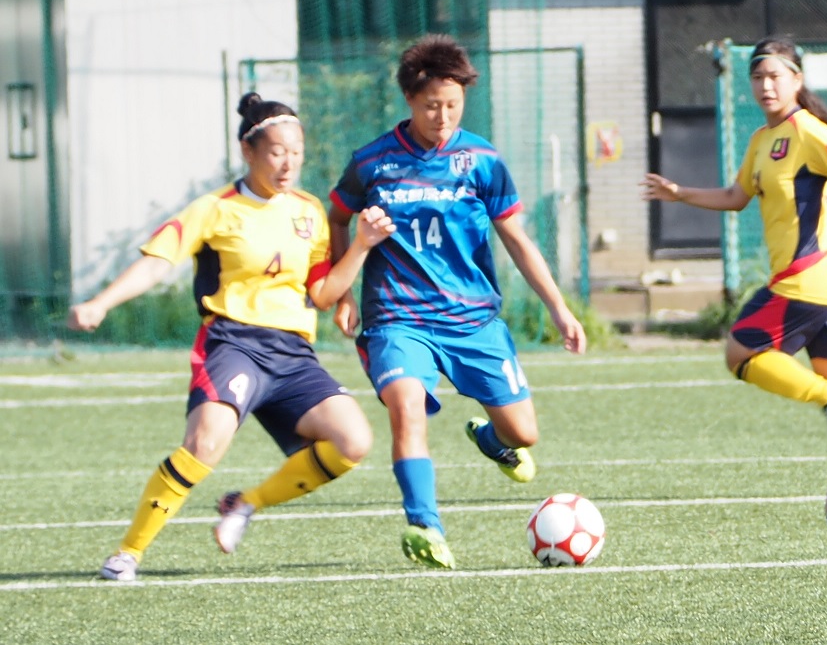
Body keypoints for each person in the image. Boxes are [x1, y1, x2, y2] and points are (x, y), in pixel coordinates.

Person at [68, 93, 396, 582]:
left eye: (297, 152)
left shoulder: (309, 211)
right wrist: (101, 302)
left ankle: (245, 504)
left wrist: (364, 247)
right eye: (276, 152)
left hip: (292, 354)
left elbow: (324, 294)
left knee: (353, 441)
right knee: (205, 443)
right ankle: (127, 554)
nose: (288, 163)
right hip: (232, 343)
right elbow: (158, 262)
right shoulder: (215, 209)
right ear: (249, 152)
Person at [328, 34, 586, 570]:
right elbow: (337, 216)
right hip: (397, 318)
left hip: (472, 321)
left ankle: (493, 440)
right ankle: (426, 526)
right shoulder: (372, 163)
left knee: (524, 433)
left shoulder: (482, 161)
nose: (442, 116)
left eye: (452, 105)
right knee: (406, 409)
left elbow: (517, 238)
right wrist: (344, 289)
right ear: (408, 100)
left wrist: (559, 308)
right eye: (430, 106)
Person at [643, 36, 827, 443]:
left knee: (740, 352)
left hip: (809, 276)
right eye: (757, 77)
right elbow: (736, 197)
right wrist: (680, 192)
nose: (765, 86)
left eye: (774, 76)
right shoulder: (760, 140)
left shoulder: (807, 129)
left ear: (797, 80)